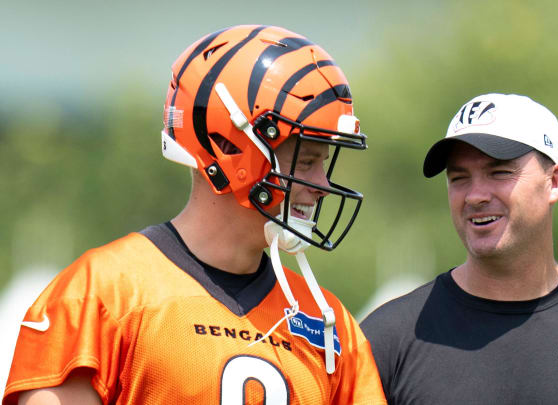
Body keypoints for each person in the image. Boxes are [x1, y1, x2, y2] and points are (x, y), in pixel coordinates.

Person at [4, 25, 387, 405]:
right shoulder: (102, 294)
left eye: (322, 163)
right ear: (227, 146)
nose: (321, 185)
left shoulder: (330, 323)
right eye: (305, 162)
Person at [361, 93, 558, 404]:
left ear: (555, 181)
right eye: (459, 178)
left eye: (499, 173)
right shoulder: (388, 339)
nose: (475, 196)